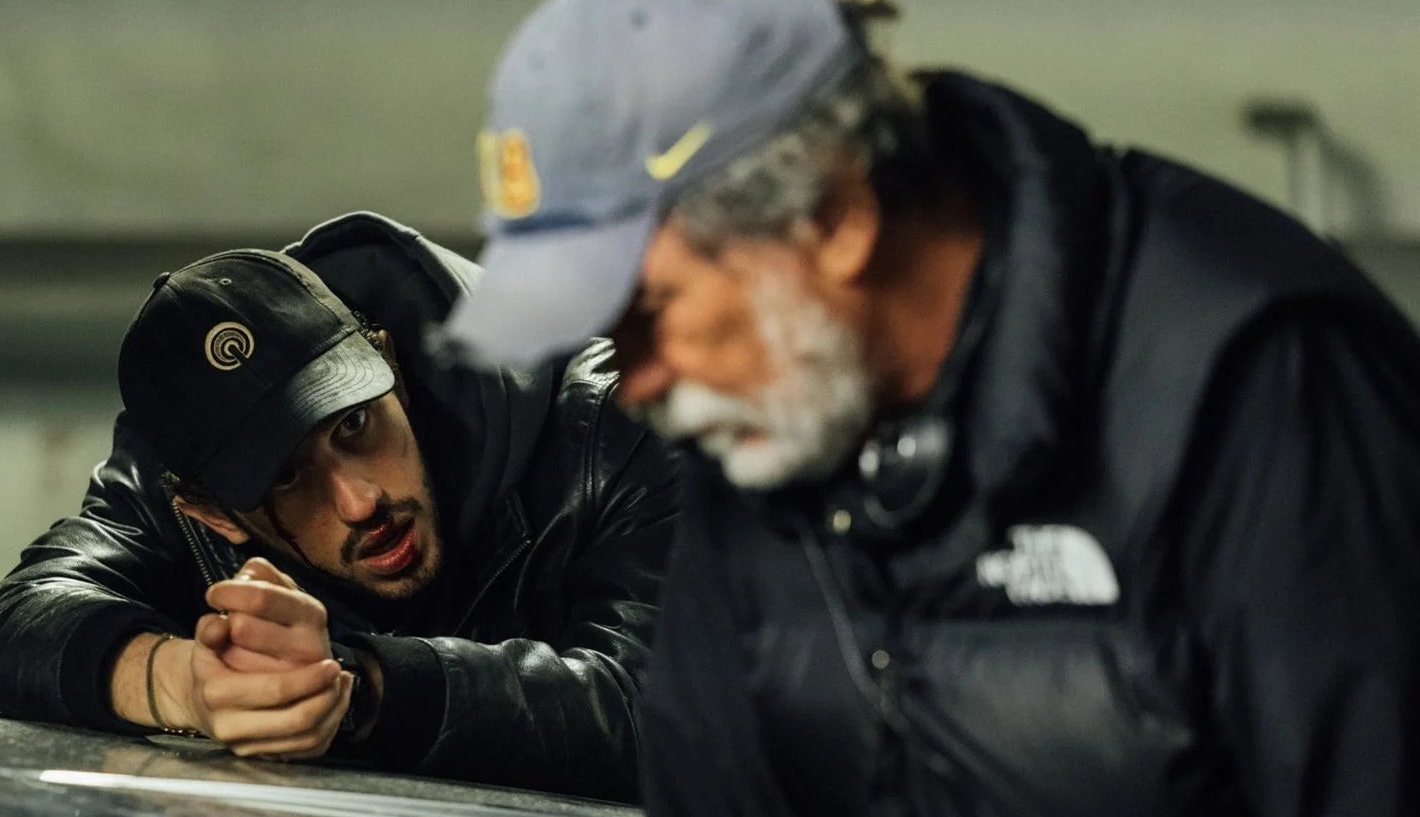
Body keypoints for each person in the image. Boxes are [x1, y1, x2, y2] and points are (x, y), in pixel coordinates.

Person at [441, 0, 1420, 814]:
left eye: (647, 311)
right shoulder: (764, 417)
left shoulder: (1256, 380)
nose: (637, 378)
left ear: (831, 220)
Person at [0, 213, 676, 802]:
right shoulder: (181, 479)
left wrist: (359, 690)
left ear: (388, 363)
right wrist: (188, 683)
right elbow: (19, 620)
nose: (360, 498)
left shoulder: (620, 419)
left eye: (354, 425)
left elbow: (668, 717)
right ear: (215, 515)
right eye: (286, 477)